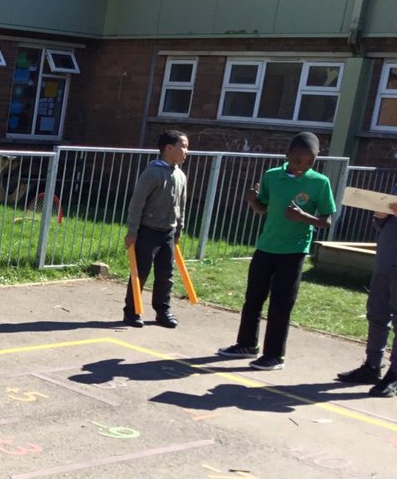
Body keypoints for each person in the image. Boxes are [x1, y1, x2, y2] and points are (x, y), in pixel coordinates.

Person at [217, 132, 335, 372]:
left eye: (310, 162)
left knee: (281, 304)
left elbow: (327, 220)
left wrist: (304, 217)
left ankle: (274, 356)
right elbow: (262, 207)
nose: (303, 166)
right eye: (299, 161)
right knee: (253, 298)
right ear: (288, 156)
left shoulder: (320, 182)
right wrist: (252, 201)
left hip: (293, 252)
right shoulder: (272, 176)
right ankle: (247, 344)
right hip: (266, 247)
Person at [123, 130, 189, 328]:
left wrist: (179, 229)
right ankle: (132, 311)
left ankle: (163, 310)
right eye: (183, 146)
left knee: (165, 273)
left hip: (168, 231)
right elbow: (137, 203)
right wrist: (132, 231)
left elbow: (182, 204)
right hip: (148, 230)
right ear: (169, 148)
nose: (186, 151)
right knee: (141, 271)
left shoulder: (180, 175)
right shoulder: (152, 173)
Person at [335, 198, 397, 397]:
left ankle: (394, 375)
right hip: (385, 262)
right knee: (377, 315)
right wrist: (380, 216)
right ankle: (372, 367)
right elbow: (383, 226)